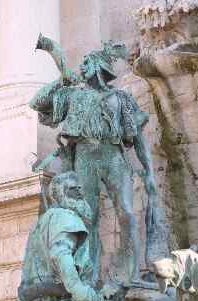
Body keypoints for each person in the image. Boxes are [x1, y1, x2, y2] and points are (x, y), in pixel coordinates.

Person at [29, 36, 157, 284]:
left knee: (128, 213)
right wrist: (60, 81)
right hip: (85, 156)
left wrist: (149, 171)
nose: (81, 66)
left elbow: (138, 138)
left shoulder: (121, 99)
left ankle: (132, 274)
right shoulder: (72, 95)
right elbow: (36, 103)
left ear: (99, 67)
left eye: (87, 62)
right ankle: (89, 277)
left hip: (113, 156)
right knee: (88, 217)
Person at [9, 171, 103, 301]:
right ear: (61, 193)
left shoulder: (45, 219)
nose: (81, 193)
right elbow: (61, 254)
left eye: (80, 188)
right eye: (74, 189)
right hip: (58, 296)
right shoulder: (65, 217)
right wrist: (79, 289)